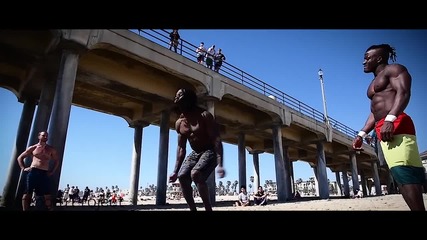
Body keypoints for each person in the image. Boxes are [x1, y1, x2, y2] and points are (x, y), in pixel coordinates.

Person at [352, 44, 425, 211]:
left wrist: (390, 120)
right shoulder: (372, 83)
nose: (364, 61)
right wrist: (361, 134)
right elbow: (374, 112)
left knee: (404, 172)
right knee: (402, 174)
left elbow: (404, 92)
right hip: (382, 126)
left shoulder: (394, 69)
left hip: (396, 123)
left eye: (367, 58)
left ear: (379, 58)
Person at [169, 88, 226, 211]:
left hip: (210, 150)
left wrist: (220, 164)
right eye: (177, 97)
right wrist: (175, 171)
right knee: (182, 176)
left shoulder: (204, 115)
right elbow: (181, 148)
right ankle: (193, 209)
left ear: (188, 100)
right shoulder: (179, 123)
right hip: (196, 152)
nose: (177, 99)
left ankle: (208, 208)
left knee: (196, 174)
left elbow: (216, 140)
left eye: (180, 96)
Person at [17, 131, 59, 211]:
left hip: (44, 173)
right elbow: (20, 158)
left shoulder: (50, 149)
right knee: (27, 192)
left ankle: (50, 209)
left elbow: (57, 161)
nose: (46, 137)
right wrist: (23, 168)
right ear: (39, 136)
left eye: (47, 136)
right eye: (44, 135)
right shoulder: (33, 148)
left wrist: (52, 171)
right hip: (33, 171)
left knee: (47, 195)